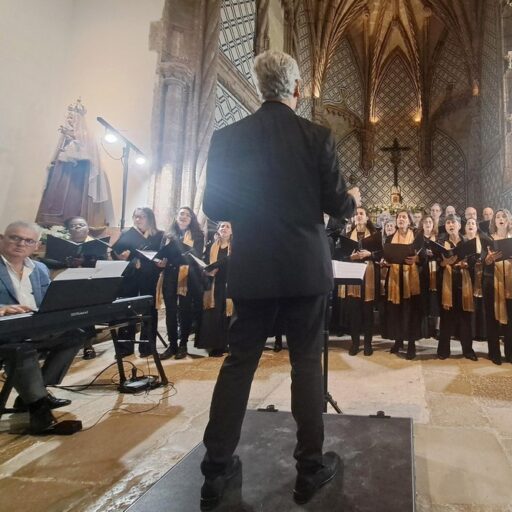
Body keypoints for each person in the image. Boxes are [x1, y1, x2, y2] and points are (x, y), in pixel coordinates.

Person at [200, 49, 359, 509]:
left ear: (258, 86)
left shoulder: (229, 137)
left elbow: (214, 208)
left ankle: (215, 472)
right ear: (296, 88)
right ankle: (309, 470)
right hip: (305, 268)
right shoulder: (316, 136)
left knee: (239, 363)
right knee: (306, 363)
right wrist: (350, 195)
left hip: (253, 266)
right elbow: (338, 205)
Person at [0, 221, 83, 434]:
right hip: (6, 330)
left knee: (75, 335)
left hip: (34, 325)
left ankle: (35, 393)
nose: (21, 244)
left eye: (28, 240)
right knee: (22, 348)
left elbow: (47, 301)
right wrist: (3, 308)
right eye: (14, 238)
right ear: (3, 239)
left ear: (36, 246)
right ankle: (39, 410)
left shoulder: (40, 269)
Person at [114, 207, 164, 358]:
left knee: (149, 309)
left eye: (141, 217)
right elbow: (116, 252)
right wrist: (123, 256)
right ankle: (125, 347)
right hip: (131, 275)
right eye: (135, 217)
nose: (138, 220)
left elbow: (161, 255)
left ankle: (147, 347)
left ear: (149, 218)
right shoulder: (127, 234)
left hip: (150, 275)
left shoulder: (159, 235)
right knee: (127, 308)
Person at [157, 206, 205, 360]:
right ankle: (172, 345)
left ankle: (183, 344)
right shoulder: (168, 235)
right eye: (181, 214)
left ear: (191, 219)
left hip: (187, 274)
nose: (184, 217)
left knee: (185, 310)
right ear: (176, 217)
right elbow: (161, 253)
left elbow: (196, 255)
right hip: (170, 274)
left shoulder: (197, 235)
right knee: (170, 310)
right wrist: (160, 262)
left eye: (188, 215)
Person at [483, 210, 512, 365]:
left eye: (503, 217)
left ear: (509, 221)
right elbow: (480, 263)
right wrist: (487, 260)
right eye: (498, 217)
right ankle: (494, 353)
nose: (500, 219)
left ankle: (511, 354)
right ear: (494, 222)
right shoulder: (487, 240)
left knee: (511, 321)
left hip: (511, 284)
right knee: (492, 320)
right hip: (492, 284)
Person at [383, 210, 422, 360]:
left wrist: (417, 259)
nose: (401, 219)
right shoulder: (389, 237)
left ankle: (411, 344)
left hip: (411, 279)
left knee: (410, 312)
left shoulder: (417, 237)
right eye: (399, 217)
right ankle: (398, 341)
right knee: (396, 310)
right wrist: (385, 261)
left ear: (410, 221)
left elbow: (423, 255)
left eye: (404, 217)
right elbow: (385, 254)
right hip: (395, 278)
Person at [437, 214, 477, 361]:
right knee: (446, 318)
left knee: (465, 318)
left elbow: (474, 259)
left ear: (460, 225)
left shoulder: (468, 241)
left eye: (453, 222)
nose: (450, 225)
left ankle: (468, 350)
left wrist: (467, 264)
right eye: (448, 223)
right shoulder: (441, 242)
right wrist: (443, 262)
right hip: (447, 283)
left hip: (463, 282)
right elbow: (436, 261)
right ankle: (443, 350)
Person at [63, 216, 100, 359]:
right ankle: (66, 347)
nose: (77, 227)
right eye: (74, 225)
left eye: (81, 224)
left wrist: (85, 262)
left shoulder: (96, 245)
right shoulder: (62, 245)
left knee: (86, 314)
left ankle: (88, 345)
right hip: (67, 284)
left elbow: (102, 263)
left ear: (88, 228)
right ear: (69, 230)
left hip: (89, 284)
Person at [343, 207, 378, 356]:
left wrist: (370, 254)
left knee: (367, 312)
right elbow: (341, 255)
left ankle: (368, 344)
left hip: (368, 274)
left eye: (361, 214)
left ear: (366, 218)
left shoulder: (375, 235)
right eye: (356, 214)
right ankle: (355, 343)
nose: (358, 216)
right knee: (354, 312)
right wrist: (350, 257)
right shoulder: (347, 235)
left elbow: (382, 253)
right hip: (353, 275)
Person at [198, 221, 233, 357]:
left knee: (227, 315)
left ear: (232, 231)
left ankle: (226, 344)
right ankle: (216, 345)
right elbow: (204, 264)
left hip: (230, 283)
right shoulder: (210, 246)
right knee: (215, 314)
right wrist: (207, 271)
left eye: (227, 226)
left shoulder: (235, 246)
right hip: (214, 284)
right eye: (222, 226)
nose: (224, 228)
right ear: (218, 230)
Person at [464, 217, 488, 341]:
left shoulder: (483, 241)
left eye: (473, 223)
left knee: (481, 304)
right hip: (466, 276)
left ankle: (481, 332)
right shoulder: (462, 241)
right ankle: (470, 332)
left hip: (480, 275)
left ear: (476, 227)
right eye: (468, 223)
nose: (470, 225)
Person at [417, 215, 440, 338]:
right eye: (425, 222)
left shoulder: (438, 238)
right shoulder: (418, 238)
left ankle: (436, 329)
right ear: (422, 224)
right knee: (423, 300)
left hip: (436, 273)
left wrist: (435, 254)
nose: (428, 224)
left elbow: (442, 254)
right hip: (422, 272)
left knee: (435, 301)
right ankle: (424, 329)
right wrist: (424, 254)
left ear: (433, 224)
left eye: (430, 222)